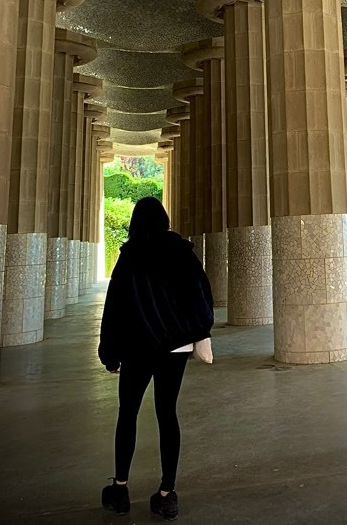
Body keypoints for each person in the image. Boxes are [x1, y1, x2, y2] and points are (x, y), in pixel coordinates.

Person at [99, 196, 214, 521]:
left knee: (128, 413)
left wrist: (110, 353)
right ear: (164, 220)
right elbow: (200, 294)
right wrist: (199, 332)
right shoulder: (181, 252)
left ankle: (120, 489)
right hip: (174, 348)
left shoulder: (129, 256)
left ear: (136, 222)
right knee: (167, 414)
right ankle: (167, 493)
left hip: (137, 348)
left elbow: (115, 307)